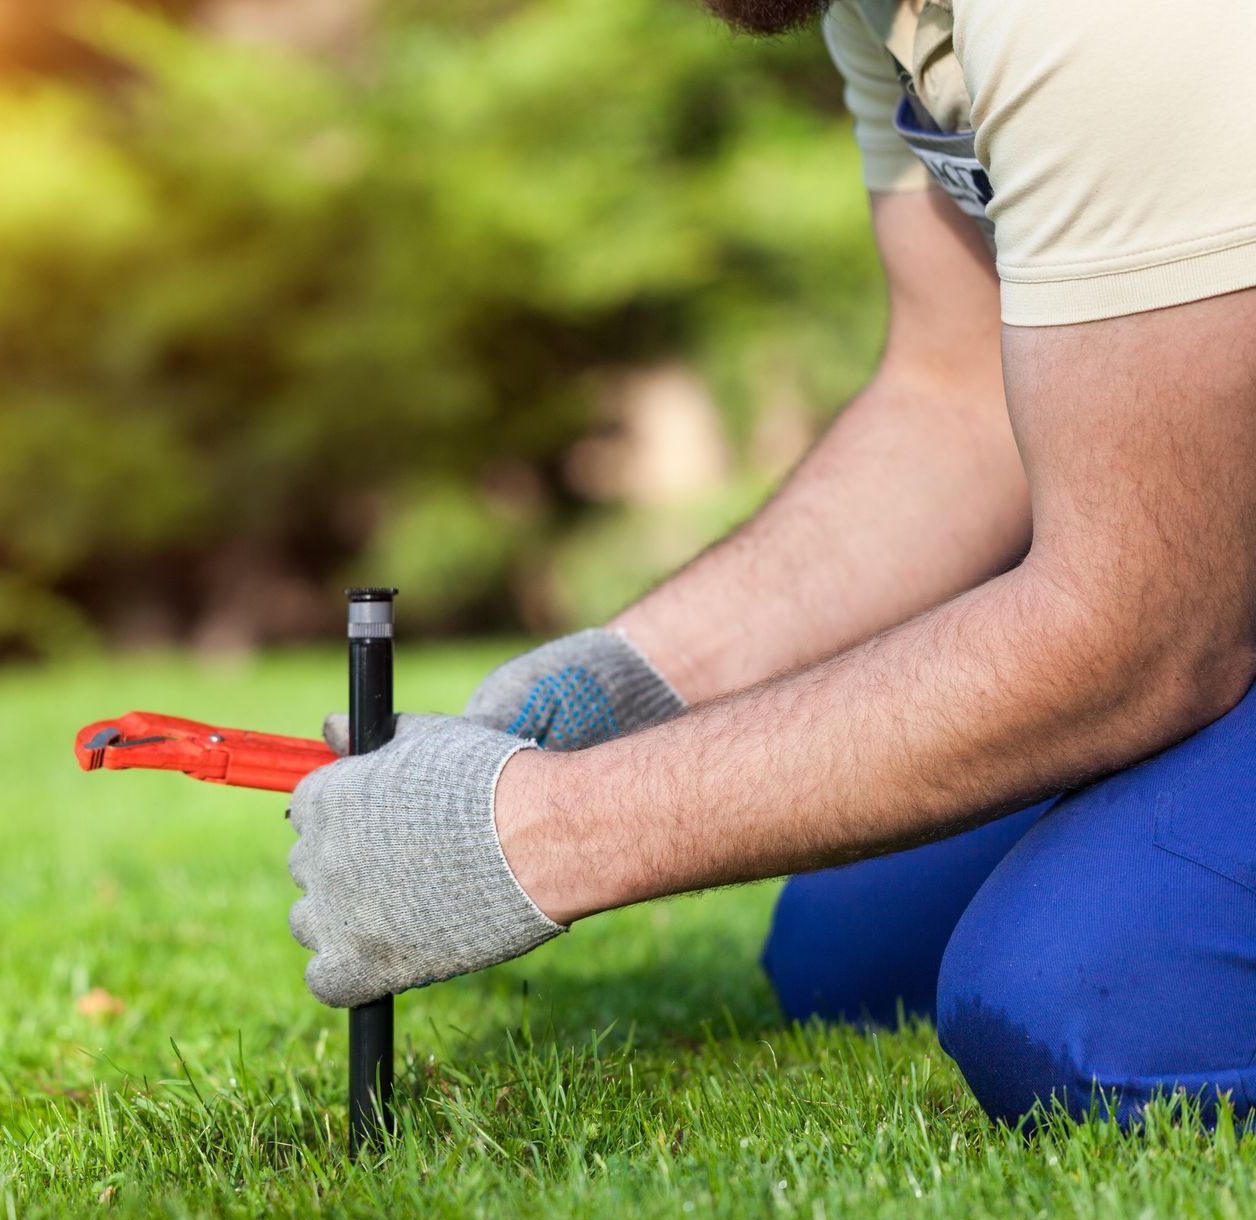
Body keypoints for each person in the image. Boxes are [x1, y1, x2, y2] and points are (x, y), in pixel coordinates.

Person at [287, 0, 1256, 1127]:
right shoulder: (880, 9)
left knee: (1093, 1009)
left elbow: (1141, 629)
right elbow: (956, 403)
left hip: (1190, 592)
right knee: (844, 953)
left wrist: (543, 830)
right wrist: (620, 684)